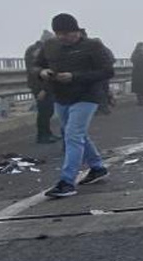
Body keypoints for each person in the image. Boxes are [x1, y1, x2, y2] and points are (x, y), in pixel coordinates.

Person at [29, 14, 114, 198]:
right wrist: (42, 72)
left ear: (76, 31)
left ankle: (67, 182)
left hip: (87, 96)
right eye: (59, 33)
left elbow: (107, 71)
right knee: (78, 133)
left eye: (67, 33)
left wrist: (74, 77)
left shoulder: (93, 46)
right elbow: (35, 66)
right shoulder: (50, 45)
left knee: (72, 135)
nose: (63, 37)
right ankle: (97, 168)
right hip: (61, 96)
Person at [24, 30, 58, 143]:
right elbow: (35, 72)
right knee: (45, 110)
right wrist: (42, 89)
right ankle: (42, 135)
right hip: (39, 85)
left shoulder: (34, 49)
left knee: (47, 110)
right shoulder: (38, 51)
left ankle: (47, 133)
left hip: (42, 85)